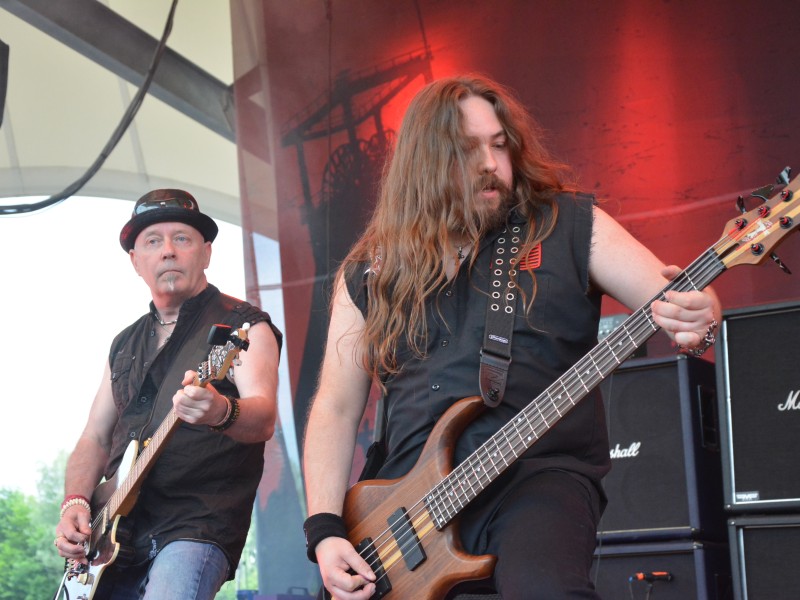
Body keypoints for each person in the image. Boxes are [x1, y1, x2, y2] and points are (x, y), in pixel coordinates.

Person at [301, 75, 722, 599]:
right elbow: (336, 408)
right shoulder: (369, 270)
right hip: (403, 515)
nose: (491, 165)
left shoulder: (568, 223)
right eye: (467, 150)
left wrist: (699, 320)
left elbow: (675, 299)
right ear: (423, 162)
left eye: (499, 145)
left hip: (538, 475)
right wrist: (323, 530)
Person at [53, 189, 282, 599]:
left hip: (196, 525)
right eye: (153, 241)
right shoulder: (123, 344)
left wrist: (220, 411)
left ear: (206, 252)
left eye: (183, 238)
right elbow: (94, 436)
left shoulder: (242, 328)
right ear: (135, 260)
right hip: (112, 539)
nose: (168, 251)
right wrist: (76, 502)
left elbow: (264, 417)